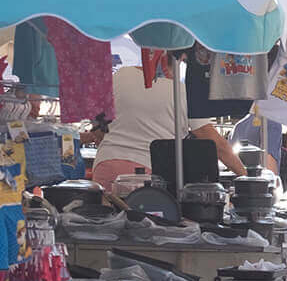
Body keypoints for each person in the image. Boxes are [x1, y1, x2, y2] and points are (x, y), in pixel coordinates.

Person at [92, 53, 247, 191]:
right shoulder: (184, 92)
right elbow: (218, 146)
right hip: (150, 173)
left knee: (105, 221)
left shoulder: (119, 76)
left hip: (105, 165)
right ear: (182, 59)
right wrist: (246, 177)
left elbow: (99, 130)